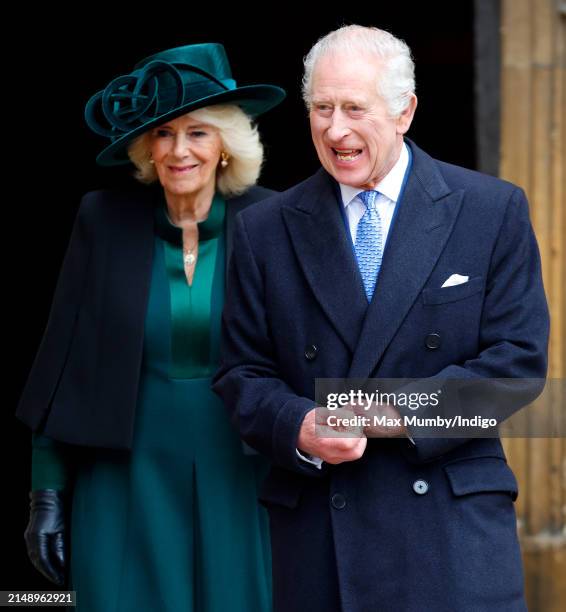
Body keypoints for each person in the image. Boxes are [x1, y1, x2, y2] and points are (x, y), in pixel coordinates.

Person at [213, 25, 549, 612]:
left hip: (450, 531)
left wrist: (390, 413)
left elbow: (515, 364)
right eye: (321, 107)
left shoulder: (491, 209)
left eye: (353, 108)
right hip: (321, 533)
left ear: (404, 112)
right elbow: (241, 373)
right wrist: (300, 425)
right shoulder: (265, 229)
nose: (334, 129)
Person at [17, 42, 285, 611]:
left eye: (198, 133)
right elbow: (61, 359)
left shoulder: (274, 222)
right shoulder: (102, 220)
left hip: (240, 475)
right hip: (123, 475)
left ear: (225, 147)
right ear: (146, 149)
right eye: (163, 134)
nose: (179, 150)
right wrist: (46, 492)